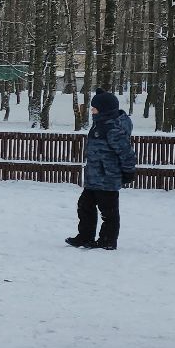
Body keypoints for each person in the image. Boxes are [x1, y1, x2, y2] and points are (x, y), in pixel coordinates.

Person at [68, 90, 138, 250]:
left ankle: (107, 241)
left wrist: (128, 172)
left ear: (104, 109)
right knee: (84, 206)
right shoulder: (100, 124)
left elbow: (126, 152)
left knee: (109, 212)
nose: (92, 111)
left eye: (94, 108)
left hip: (107, 178)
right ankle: (85, 236)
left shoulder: (112, 128)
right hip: (94, 178)